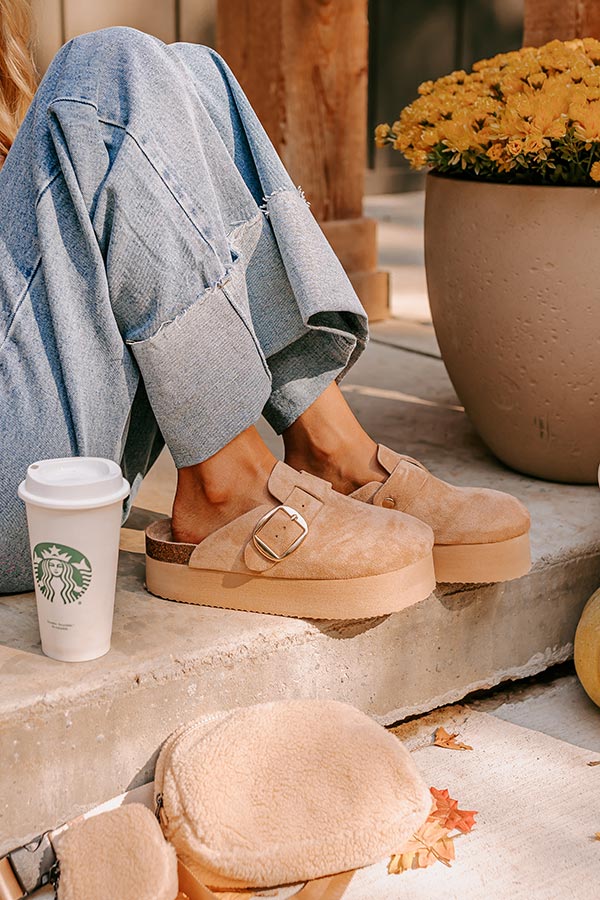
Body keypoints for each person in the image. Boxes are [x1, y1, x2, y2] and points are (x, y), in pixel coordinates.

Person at [0, 2, 530, 615]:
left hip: (59, 477)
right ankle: (226, 485)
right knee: (104, 74)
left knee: (193, 73)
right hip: (22, 503)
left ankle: (331, 448)